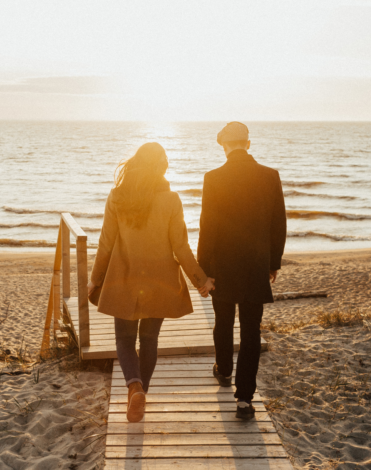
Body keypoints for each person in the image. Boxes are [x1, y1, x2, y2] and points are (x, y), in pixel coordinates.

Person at [88, 142, 215, 423]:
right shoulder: (172, 200)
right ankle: (141, 391)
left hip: (124, 278)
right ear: (162, 168)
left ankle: (134, 387)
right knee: (149, 339)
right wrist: (200, 280)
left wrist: (94, 279)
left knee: (123, 338)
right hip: (160, 281)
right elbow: (181, 248)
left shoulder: (117, 197)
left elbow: (106, 244)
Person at [197, 122, 287, 420]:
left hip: (222, 267)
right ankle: (245, 399)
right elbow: (278, 224)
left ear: (224, 146)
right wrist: (273, 263)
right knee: (250, 332)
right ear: (248, 144)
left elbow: (206, 227)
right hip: (255, 266)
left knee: (223, 323)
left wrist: (203, 271)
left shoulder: (213, 178)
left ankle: (223, 370)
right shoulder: (269, 176)